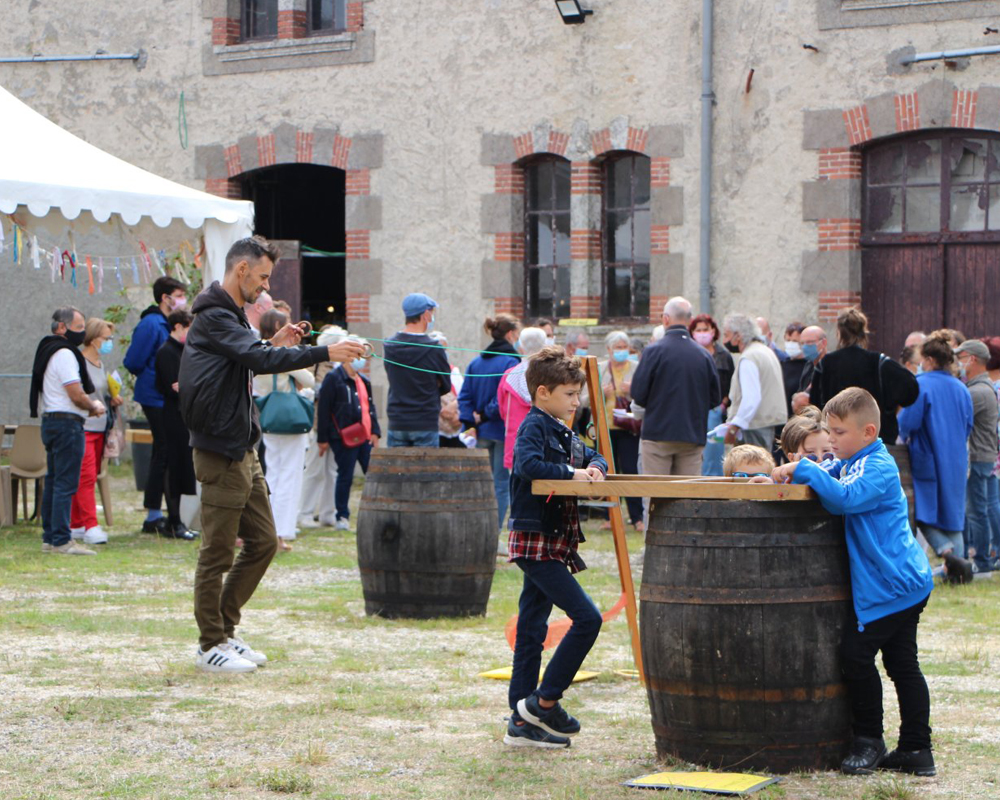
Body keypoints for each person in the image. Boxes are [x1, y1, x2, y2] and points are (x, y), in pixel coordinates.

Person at [179, 236, 364, 673]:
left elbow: (250, 356)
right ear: (241, 269)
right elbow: (254, 359)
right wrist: (325, 351)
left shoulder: (232, 315)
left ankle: (225, 630)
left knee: (263, 542)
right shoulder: (214, 315)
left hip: (243, 447)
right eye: (262, 277)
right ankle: (210, 644)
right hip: (219, 449)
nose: (265, 287)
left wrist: (277, 342)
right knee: (217, 553)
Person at [774, 388, 936, 778]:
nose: (831, 440)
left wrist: (806, 468)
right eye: (828, 432)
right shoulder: (852, 460)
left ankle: (868, 741)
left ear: (868, 432)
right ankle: (916, 749)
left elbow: (844, 499)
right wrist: (790, 471)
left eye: (838, 433)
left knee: (856, 657)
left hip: (893, 586)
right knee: (902, 664)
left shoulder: (877, 466)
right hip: (903, 583)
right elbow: (830, 475)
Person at [504, 346, 607, 749]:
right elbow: (527, 465)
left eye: (578, 394)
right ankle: (543, 703)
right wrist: (571, 472)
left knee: (532, 630)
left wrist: (594, 467)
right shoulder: (534, 426)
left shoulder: (562, 429)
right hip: (536, 543)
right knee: (588, 618)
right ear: (543, 393)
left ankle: (521, 723)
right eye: (570, 394)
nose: (576, 402)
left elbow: (592, 453)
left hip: (552, 542)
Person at [897, 331, 974, 583]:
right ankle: (959, 572)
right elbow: (969, 424)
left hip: (926, 456)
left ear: (928, 360)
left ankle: (946, 552)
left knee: (921, 512)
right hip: (956, 457)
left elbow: (907, 423)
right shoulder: (961, 388)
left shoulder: (920, 385)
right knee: (953, 515)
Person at [29, 307, 106, 555]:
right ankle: (62, 540)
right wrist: (93, 406)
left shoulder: (48, 349)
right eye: (79, 327)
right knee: (65, 483)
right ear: (62, 327)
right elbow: (75, 393)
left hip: (52, 420)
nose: (82, 332)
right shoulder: (65, 353)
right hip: (66, 424)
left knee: (54, 481)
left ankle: (50, 538)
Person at [124, 276, 187, 535]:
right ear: (165, 298)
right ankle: (154, 513)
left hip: (167, 398)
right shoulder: (151, 323)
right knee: (164, 451)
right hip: (155, 396)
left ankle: (155, 512)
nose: (182, 300)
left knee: (163, 451)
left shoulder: (166, 323)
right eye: (179, 295)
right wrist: (156, 375)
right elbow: (133, 361)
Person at [631, 297, 720, 477]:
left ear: (665, 319)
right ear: (690, 320)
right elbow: (715, 398)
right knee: (687, 492)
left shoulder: (653, 352)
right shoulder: (703, 355)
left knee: (656, 491)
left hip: (657, 434)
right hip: (692, 436)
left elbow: (638, 394)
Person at [253, 308, 316, 552]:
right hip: (290, 420)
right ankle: (280, 533)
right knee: (290, 477)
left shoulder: (258, 353)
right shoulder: (281, 354)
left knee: (272, 475)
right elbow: (309, 380)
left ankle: (266, 530)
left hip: (269, 418)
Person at [809, 309, 919, 445]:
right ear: (863, 332)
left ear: (839, 333)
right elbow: (911, 388)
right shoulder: (878, 362)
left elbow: (814, 405)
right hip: (876, 439)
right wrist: (888, 407)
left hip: (837, 442)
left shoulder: (825, 364)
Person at [459, 314, 522, 528]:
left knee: (481, 484)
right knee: (501, 484)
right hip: (501, 430)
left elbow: (464, 396)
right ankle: (493, 532)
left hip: (479, 431)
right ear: (510, 334)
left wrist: (470, 422)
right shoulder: (511, 362)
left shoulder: (475, 363)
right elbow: (505, 397)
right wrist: (484, 415)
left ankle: (479, 528)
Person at [69, 318, 123, 546]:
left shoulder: (101, 364)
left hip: (101, 427)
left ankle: (77, 523)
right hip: (84, 426)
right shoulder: (78, 362)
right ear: (92, 339)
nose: (109, 342)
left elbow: (99, 393)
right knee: (86, 476)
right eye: (106, 338)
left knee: (87, 476)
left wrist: (112, 399)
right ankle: (90, 525)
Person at [317, 352, 380, 530]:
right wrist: (323, 438)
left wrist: (375, 431)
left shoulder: (364, 380)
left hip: (365, 435)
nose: (361, 360)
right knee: (345, 476)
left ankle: (375, 511)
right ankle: (342, 516)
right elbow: (324, 408)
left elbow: (370, 407)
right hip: (344, 436)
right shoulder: (334, 378)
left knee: (373, 474)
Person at [383, 293, 451, 447]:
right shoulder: (434, 348)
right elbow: (446, 385)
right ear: (426, 315)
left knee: (396, 463)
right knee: (426, 463)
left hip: (397, 420)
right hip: (425, 420)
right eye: (432, 313)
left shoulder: (389, 345)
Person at [955, 339, 998, 575]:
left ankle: (982, 562)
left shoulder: (977, 392)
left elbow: (955, 415)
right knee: (983, 508)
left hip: (977, 458)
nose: (957, 363)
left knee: (976, 511)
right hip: (983, 457)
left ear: (972, 359)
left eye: (960, 358)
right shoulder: (982, 388)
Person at [154, 308, 198, 540]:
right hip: (173, 416)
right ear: (178, 327)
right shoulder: (166, 352)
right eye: (189, 328)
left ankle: (178, 519)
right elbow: (172, 386)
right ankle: (173, 519)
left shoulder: (183, 350)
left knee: (182, 467)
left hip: (184, 415)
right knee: (173, 466)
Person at [718, 313, 787, 451]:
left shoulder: (749, 357)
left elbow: (751, 398)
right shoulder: (765, 351)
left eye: (726, 335)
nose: (724, 340)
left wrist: (734, 427)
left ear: (738, 336)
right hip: (765, 424)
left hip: (753, 426)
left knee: (751, 462)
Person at [298, 325, 344, 529]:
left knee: (332, 471)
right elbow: (306, 389)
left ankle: (328, 513)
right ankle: (305, 513)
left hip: (337, 426)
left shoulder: (341, 367)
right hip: (317, 423)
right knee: (314, 470)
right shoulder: (315, 364)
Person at [599, 331, 643, 530]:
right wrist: (600, 392)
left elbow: (645, 395)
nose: (622, 351)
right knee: (606, 470)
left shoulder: (636, 368)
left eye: (624, 347)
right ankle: (608, 517)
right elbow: (583, 399)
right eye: (618, 347)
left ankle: (637, 517)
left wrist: (632, 391)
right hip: (605, 427)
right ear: (608, 349)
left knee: (631, 470)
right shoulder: (600, 369)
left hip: (628, 427)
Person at [689, 313, 733, 476]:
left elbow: (731, 383)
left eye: (705, 329)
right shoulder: (690, 353)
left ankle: (714, 481)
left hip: (715, 410)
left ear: (713, 331)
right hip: (693, 408)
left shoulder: (724, 356)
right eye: (698, 330)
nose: (702, 333)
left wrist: (723, 405)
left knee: (714, 451)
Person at [498, 327, 548, 471]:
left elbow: (502, 410)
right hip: (545, 441)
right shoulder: (550, 376)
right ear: (545, 345)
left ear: (521, 346)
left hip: (515, 443)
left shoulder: (509, 376)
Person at [428, 331, 465, 448]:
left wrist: (456, 410)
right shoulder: (425, 372)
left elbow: (464, 395)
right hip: (434, 431)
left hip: (453, 431)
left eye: (444, 349)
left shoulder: (454, 371)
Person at [791, 326, 828, 413]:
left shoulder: (830, 366)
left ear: (823, 342)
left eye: (809, 342)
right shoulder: (808, 365)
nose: (805, 347)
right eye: (802, 343)